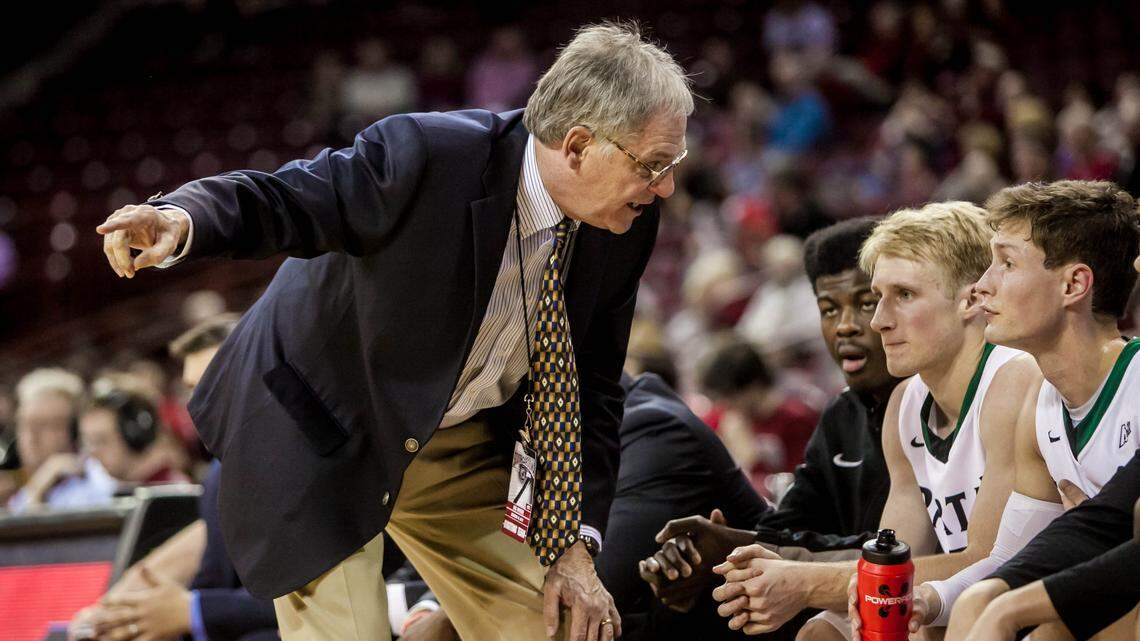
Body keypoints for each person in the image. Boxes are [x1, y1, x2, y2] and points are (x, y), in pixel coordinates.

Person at [95, 22, 693, 641]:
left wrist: (573, 543)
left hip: (453, 438)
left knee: (562, 630)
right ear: (576, 146)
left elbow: (593, 386)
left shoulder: (626, 221)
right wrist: (182, 218)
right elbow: (288, 199)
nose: (667, 185)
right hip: (324, 428)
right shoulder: (431, 157)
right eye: (653, 164)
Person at [711, 202, 1038, 639]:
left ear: (970, 300)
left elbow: (988, 564)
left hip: (1037, 606)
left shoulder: (1014, 380)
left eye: (903, 296)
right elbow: (891, 559)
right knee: (825, 633)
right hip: (965, 602)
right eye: (879, 297)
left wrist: (805, 581)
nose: (880, 321)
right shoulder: (906, 403)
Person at [879, 180, 1140, 634]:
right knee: (974, 609)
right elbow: (1008, 556)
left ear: (1074, 284)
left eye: (1006, 263)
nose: (981, 286)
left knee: (1052, 629)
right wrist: (933, 598)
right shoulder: (1040, 404)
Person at [639, 217, 900, 628]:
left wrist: (757, 552)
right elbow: (789, 528)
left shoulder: (934, 406)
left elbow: (907, 554)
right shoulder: (841, 416)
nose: (845, 325)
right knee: (691, 604)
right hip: (858, 601)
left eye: (865, 303)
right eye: (828, 309)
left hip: (910, 605)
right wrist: (722, 549)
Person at [68, 314, 283, 641]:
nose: (197, 404)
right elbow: (212, 579)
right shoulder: (218, 474)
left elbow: (313, 596)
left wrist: (192, 610)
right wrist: (145, 613)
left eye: (212, 382)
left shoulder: (305, 462)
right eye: (192, 390)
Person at [6, 368, 116, 513]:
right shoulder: (23, 494)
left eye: (44, 424)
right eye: (25, 424)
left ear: (75, 431)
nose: (31, 436)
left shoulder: (94, 486)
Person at [78, 387, 191, 489]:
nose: (92, 453)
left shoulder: (171, 492)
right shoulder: (111, 489)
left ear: (135, 437)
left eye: (101, 441)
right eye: (88, 442)